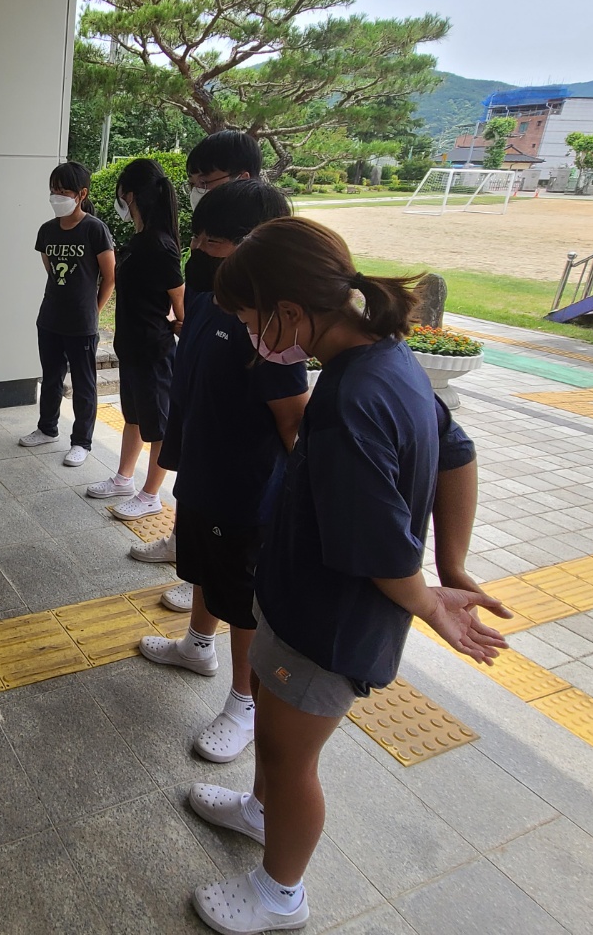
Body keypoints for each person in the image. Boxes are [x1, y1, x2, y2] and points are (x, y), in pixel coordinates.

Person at [186, 217, 510, 934]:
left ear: (291, 312)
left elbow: (380, 547)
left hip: (327, 624)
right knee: (275, 734)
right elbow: (458, 453)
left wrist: (428, 598)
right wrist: (451, 565)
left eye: (248, 319)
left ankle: (280, 894)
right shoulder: (389, 360)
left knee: (289, 756)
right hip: (302, 601)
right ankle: (258, 812)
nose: (248, 335)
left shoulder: (345, 403)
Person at [138, 181, 307, 767]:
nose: (201, 249)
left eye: (214, 239)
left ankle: (244, 702)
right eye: (201, 236)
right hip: (203, 478)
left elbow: (293, 425)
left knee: (242, 598)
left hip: (247, 494)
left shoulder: (270, 331)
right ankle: (196, 645)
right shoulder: (210, 306)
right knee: (203, 571)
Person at [132, 131, 264, 569]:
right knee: (189, 462)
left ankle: (205, 570)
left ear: (242, 177)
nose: (196, 191)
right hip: (195, 366)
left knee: (217, 485)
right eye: (193, 181)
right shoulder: (207, 246)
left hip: (230, 392)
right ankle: (182, 540)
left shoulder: (262, 259)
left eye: (205, 181)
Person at [86, 159, 185, 520]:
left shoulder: (160, 245)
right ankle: (124, 478)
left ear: (129, 195)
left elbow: (180, 300)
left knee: (158, 424)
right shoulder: (139, 241)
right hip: (131, 347)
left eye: (120, 195)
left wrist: (178, 323)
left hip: (154, 350)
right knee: (133, 417)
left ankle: (151, 494)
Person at [18, 162, 115, 467]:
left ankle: (82, 442)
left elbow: (108, 277)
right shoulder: (47, 230)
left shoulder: (95, 229)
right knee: (51, 378)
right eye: (53, 190)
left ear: (81, 194)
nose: (56, 196)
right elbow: (50, 269)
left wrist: (93, 311)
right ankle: (47, 428)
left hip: (81, 323)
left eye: (64, 191)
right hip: (49, 319)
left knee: (84, 385)